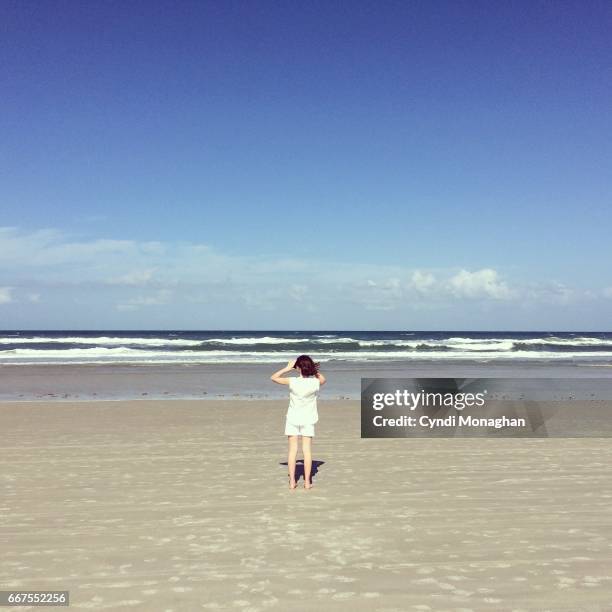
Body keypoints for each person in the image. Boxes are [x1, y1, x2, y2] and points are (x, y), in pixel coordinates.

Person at [270, 355, 326, 490]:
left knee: (292, 451)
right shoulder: (314, 382)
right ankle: (307, 482)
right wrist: (313, 370)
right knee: (307, 451)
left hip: (293, 419)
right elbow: (323, 379)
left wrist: (287, 368)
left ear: (298, 368)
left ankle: (292, 482)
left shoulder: (293, 381)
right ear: (311, 368)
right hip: (309, 419)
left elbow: (273, 377)